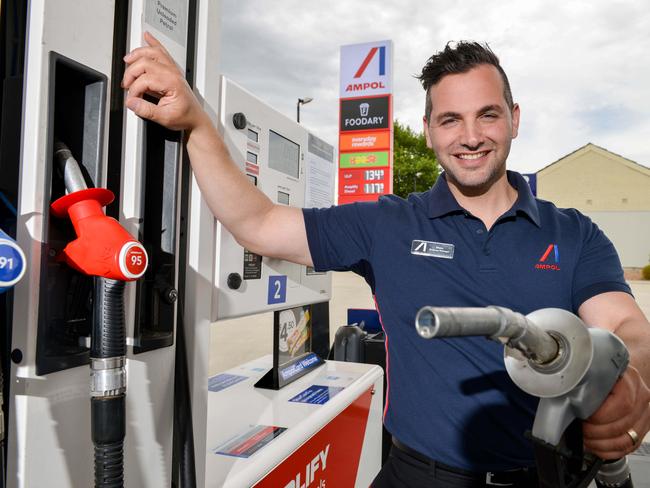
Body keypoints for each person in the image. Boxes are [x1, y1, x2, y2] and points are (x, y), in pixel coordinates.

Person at [123, 34, 650, 487]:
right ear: (429, 130)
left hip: (546, 474)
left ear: (514, 119)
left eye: (487, 115)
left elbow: (628, 327)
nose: (470, 136)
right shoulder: (388, 225)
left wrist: (627, 378)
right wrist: (194, 123)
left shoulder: (574, 231)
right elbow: (257, 224)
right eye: (450, 120)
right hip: (420, 475)